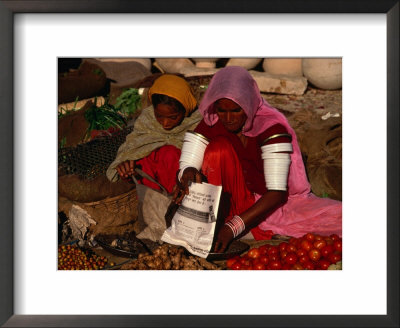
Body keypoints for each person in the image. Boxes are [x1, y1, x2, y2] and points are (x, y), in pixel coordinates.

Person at [173, 66, 342, 253]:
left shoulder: (270, 127)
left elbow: (277, 193)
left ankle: (232, 223)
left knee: (337, 219)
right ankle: (213, 221)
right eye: (222, 110)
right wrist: (187, 171)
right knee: (217, 149)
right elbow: (188, 160)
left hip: (266, 201)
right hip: (229, 198)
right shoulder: (213, 121)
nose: (228, 118)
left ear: (248, 103)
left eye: (236, 110)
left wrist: (233, 227)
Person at [106, 74, 202, 193]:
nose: (165, 123)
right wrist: (127, 168)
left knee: (169, 154)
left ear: (186, 109)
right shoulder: (147, 119)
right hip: (151, 194)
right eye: (159, 116)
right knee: (144, 159)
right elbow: (132, 147)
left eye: (173, 117)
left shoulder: (196, 123)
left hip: (182, 187)